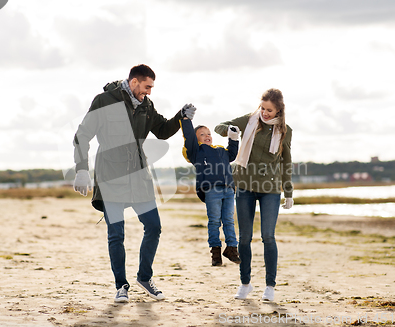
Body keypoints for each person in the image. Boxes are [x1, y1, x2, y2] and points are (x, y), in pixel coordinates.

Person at [72, 64, 196, 303]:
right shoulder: (104, 101)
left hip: (139, 178)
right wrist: (82, 170)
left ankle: (144, 277)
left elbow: (162, 131)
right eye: (147, 86)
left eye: (151, 87)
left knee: (154, 227)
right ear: (134, 82)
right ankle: (122, 286)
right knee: (116, 235)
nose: (149, 92)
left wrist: (180, 117)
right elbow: (82, 135)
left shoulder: (147, 106)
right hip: (111, 178)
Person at [214, 88, 293, 301]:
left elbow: (286, 162)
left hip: (270, 189)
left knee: (268, 236)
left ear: (279, 110)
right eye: (263, 108)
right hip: (244, 185)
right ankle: (245, 283)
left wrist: (288, 192)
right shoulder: (250, 120)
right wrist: (229, 130)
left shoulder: (286, 131)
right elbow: (219, 126)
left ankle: (270, 286)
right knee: (245, 238)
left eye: (269, 110)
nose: (265, 113)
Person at [181, 117, 241, 266]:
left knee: (229, 221)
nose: (207, 136)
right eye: (202, 134)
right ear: (196, 140)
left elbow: (232, 154)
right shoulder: (196, 152)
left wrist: (233, 138)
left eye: (208, 133)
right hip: (211, 189)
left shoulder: (221, 150)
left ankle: (232, 249)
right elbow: (189, 138)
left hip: (228, 189)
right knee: (214, 221)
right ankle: (216, 253)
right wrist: (186, 120)